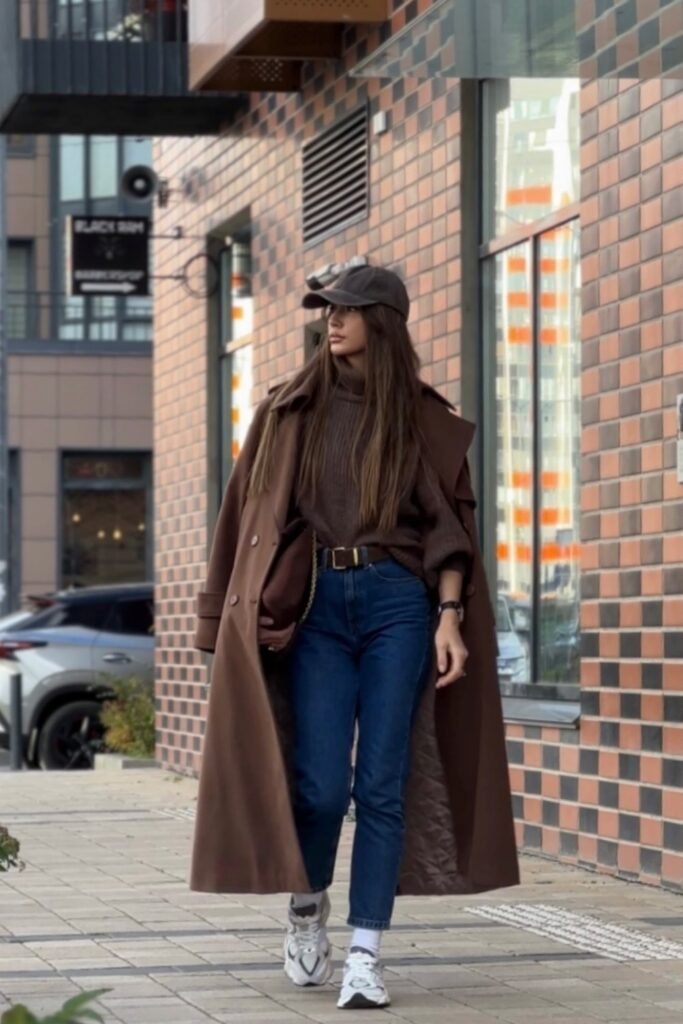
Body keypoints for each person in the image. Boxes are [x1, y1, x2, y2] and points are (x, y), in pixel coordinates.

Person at [191, 266, 519, 1011]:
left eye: (343, 310)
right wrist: (220, 617)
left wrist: (448, 619)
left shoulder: (418, 420)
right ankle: (308, 908)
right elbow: (241, 517)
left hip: (397, 604)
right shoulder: (287, 411)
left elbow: (447, 532)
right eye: (324, 311)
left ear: (382, 320)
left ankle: (367, 954)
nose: (328, 322)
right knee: (318, 785)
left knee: (380, 783)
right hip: (315, 610)